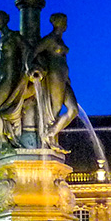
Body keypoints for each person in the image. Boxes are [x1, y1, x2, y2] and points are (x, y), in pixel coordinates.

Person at [29, 12, 79, 150]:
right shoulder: (49, 39)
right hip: (54, 75)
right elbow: (32, 52)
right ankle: (47, 137)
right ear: (56, 23)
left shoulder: (60, 41)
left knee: (73, 109)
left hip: (64, 77)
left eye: (65, 22)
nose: (65, 25)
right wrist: (30, 67)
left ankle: (51, 133)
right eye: (63, 22)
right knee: (55, 110)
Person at [0, 9, 27, 148]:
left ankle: (3, 141)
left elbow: (27, 52)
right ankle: (6, 138)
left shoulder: (14, 36)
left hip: (9, 78)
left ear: (6, 19)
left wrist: (28, 70)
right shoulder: (0, 40)